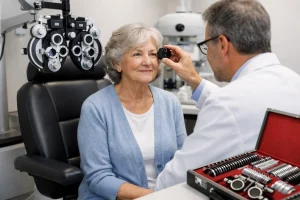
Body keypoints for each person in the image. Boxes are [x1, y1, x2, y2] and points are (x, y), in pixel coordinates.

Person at [155, 0, 300, 190]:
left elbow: (172, 181)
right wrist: (194, 80)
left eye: (206, 46)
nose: (206, 55)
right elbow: (243, 110)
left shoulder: (226, 104)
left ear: (222, 44)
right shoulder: (293, 81)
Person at [77, 23, 187, 199]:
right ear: (117, 63)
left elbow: (184, 159)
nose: (148, 61)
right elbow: (98, 178)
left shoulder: (170, 103)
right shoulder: (95, 108)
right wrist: (154, 196)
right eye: (137, 54)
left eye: (152, 54)